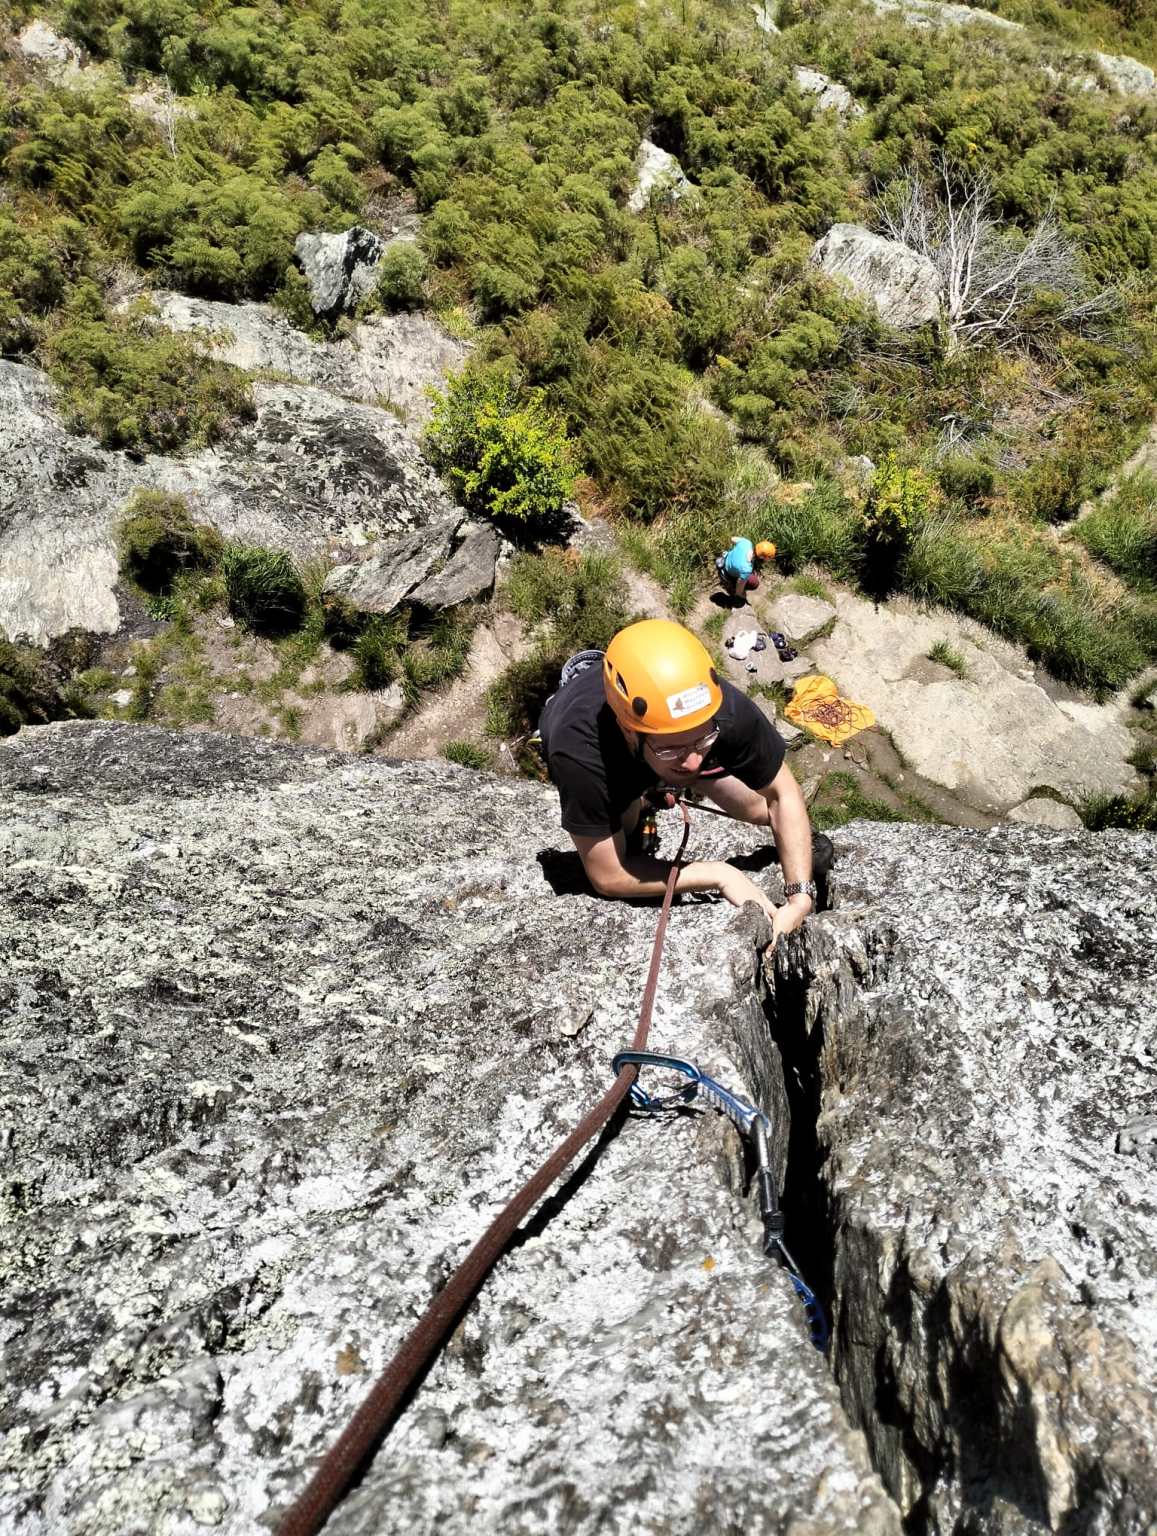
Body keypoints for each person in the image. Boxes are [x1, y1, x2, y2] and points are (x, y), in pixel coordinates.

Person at [538, 619, 826, 947]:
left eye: (702, 740)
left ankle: (663, 767)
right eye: (673, 746)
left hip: (653, 739)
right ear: (629, 730)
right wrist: (720, 874)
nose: (693, 762)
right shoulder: (579, 753)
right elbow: (608, 875)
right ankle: (642, 794)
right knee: (629, 826)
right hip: (605, 748)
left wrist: (799, 898)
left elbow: (782, 793)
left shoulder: (713, 708)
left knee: (758, 809)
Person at [717, 538, 776, 606]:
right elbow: (739, 582)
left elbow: (732, 539)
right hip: (726, 572)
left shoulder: (747, 543)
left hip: (724, 558)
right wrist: (740, 594)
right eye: (768, 558)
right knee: (754, 583)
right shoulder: (746, 569)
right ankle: (731, 585)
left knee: (746, 575)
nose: (768, 560)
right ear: (762, 557)